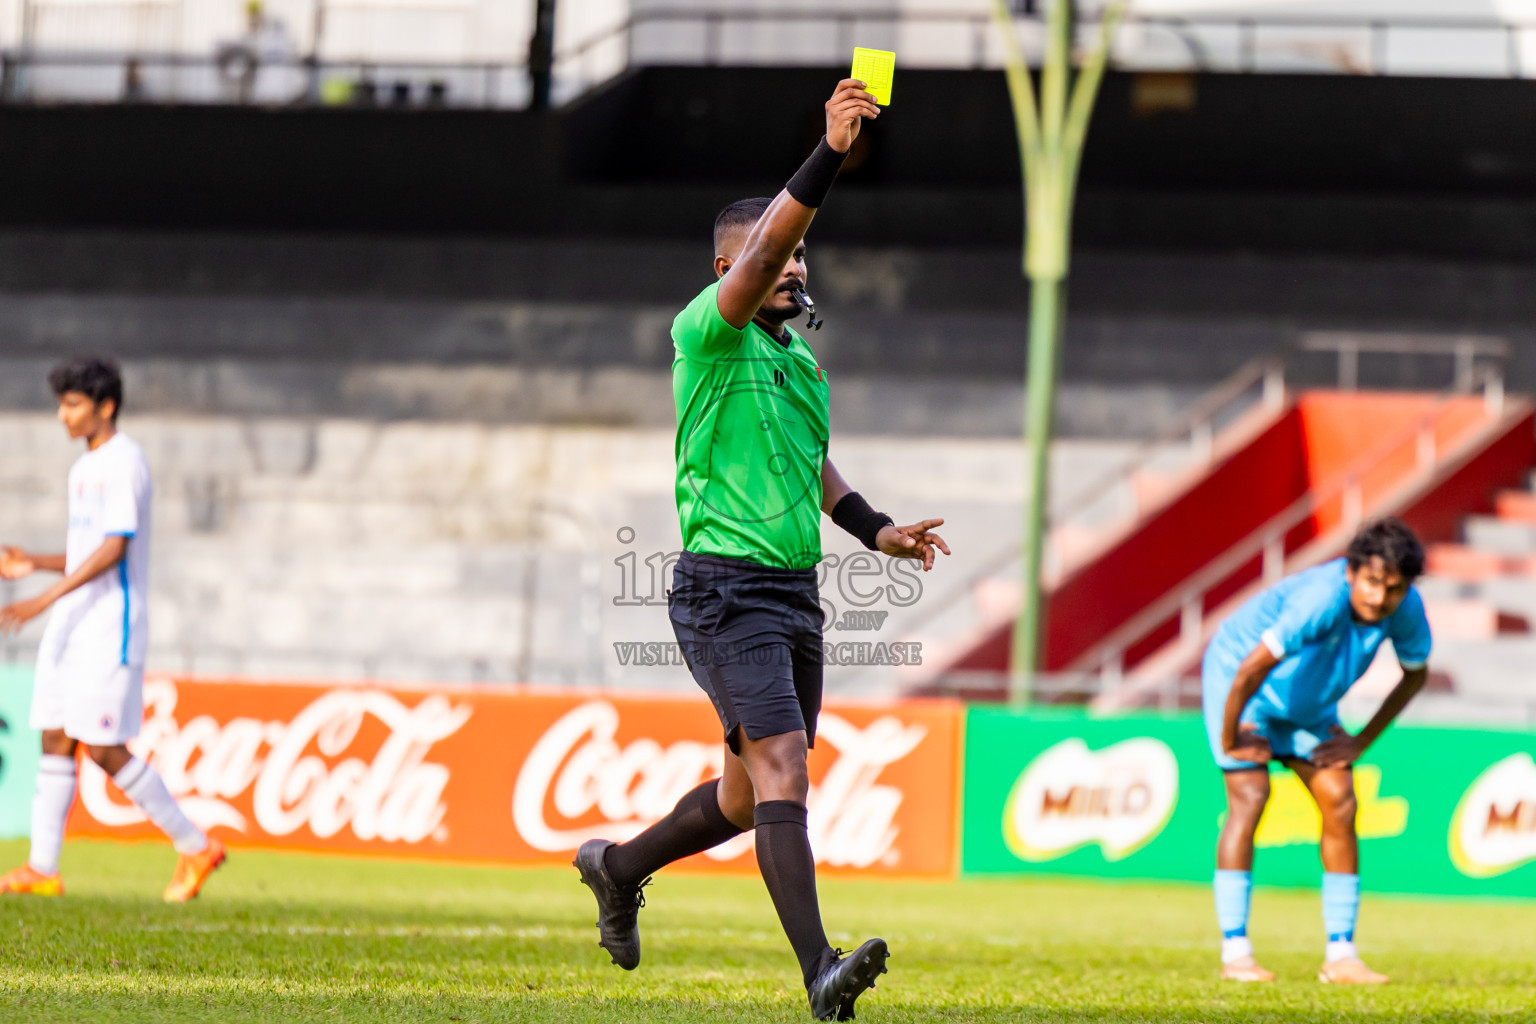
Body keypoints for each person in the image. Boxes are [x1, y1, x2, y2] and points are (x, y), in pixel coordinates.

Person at [574, 78, 949, 1021]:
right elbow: (773, 236)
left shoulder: (799, 363)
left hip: (793, 595)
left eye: (799, 260)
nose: (793, 270)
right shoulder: (706, 335)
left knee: (747, 800)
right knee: (786, 768)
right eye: (772, 259)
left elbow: (817, 468)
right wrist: (830, 151)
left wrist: (879, 530)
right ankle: (820, 969)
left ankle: (616, 869)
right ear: (724, 268)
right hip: (722, 591)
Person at [0, 356, 226, 902]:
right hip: (74, 623)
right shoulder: (85, 467)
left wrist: (41, 599)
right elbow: (86, 551)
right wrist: (37, 561)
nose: (63, 415)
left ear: (106, 407)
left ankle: (195, 845)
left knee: (102, 748)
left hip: (108, 626)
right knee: (54, 735)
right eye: (61, 404)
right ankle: (42, 868)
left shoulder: (124, 461)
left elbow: (115, 548)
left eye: (74, 404)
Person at [1201, 518, 1431, 985]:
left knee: (1342, 801)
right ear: (1350, 572)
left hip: (1310, 704)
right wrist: (1231, 739)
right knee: (1250, 797)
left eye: (1393, 588)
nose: (1379, 598)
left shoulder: (1405, 608)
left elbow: (1415, 674)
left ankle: (1341, 955)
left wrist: (1362, 740)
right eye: (1371, 582)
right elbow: (1250, 668)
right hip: (1247, 692)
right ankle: (1236, 952)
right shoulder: (1319, 600)